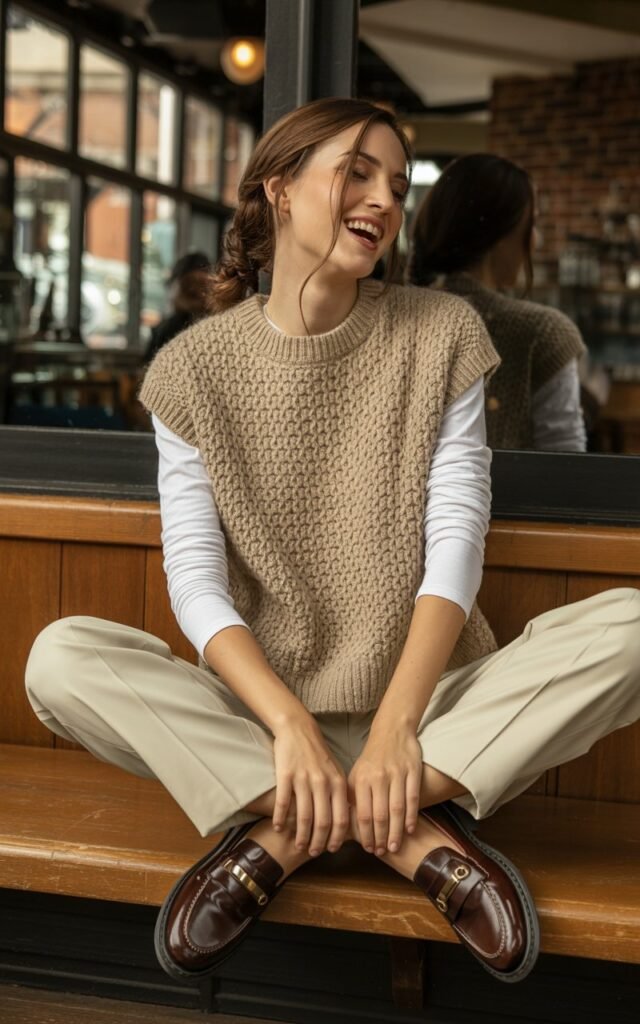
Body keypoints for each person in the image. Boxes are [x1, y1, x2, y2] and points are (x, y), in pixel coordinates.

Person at [25, 99, 640, 989]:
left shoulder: (442, 335)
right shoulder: (192, 372)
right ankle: (409, 838)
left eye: (395, 183)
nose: (383, 199)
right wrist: (289, 727)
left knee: (633, 625)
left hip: (432, 714)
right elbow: (197, 585)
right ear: (279, 188)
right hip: (267, 725)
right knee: (59, 659)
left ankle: (284, 834)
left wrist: (394, 731)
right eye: (357, 170)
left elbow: (456, 545)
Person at [409, 153, 587, 452]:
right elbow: (567, 470)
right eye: (532, 224)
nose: (536, 240)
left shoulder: (393, 315)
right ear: (502, 232)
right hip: (504, 500)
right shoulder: (541, 333)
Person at [145, 251, 212, 362]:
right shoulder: (167, 328)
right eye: (190, 284)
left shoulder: (168, 328)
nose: (196, 290)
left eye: (202, 284)